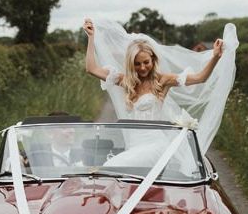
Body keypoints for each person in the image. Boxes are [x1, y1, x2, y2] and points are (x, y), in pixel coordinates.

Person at [81, 17, 239, 156]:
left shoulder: (163, 80)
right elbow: (91, 69)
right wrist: (91, 37)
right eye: (137, 64)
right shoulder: (126, 81)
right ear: (131, 64)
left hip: (155, 145)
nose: (142, 67)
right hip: (134, 145)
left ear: (153, 60)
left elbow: (200, 78)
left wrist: (215, 57)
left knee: (112, 167)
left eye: (146, 62)